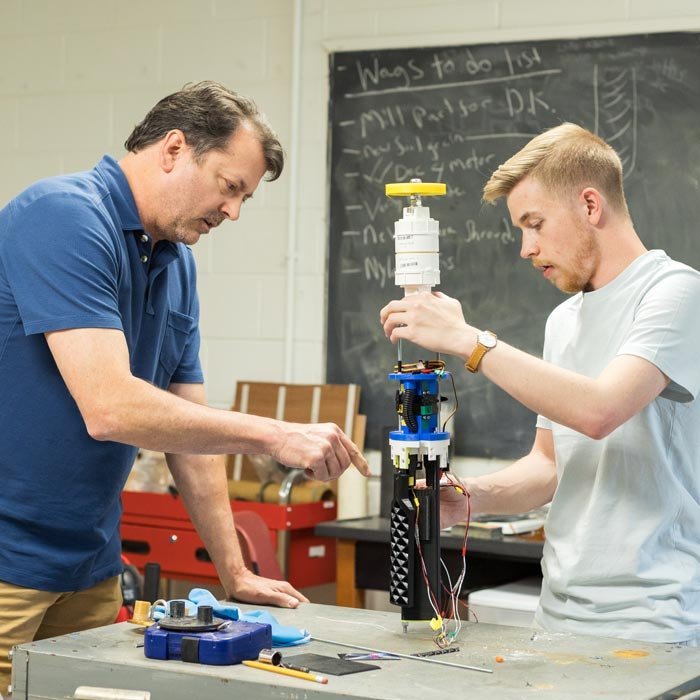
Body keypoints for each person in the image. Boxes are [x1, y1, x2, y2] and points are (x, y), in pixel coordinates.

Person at [0, 81, 369, 692]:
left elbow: (188, 432)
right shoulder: (63, 216)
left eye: (245, 198)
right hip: (8, 565)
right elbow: (110, 407)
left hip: (89, 564)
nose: (233, 213)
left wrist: (234, 569)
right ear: (174, 148)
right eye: (230, 188)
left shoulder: (175, 261)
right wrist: (273, 433)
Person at [380, 123, 700, 645]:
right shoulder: (564, 320)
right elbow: (549, 465)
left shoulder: (677, 294)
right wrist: (470, 498)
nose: (526, 249)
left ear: (590, 206)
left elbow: (600, 412)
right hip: (559, 618)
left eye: (535, 224)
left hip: (655, 623)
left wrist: (469, 342)